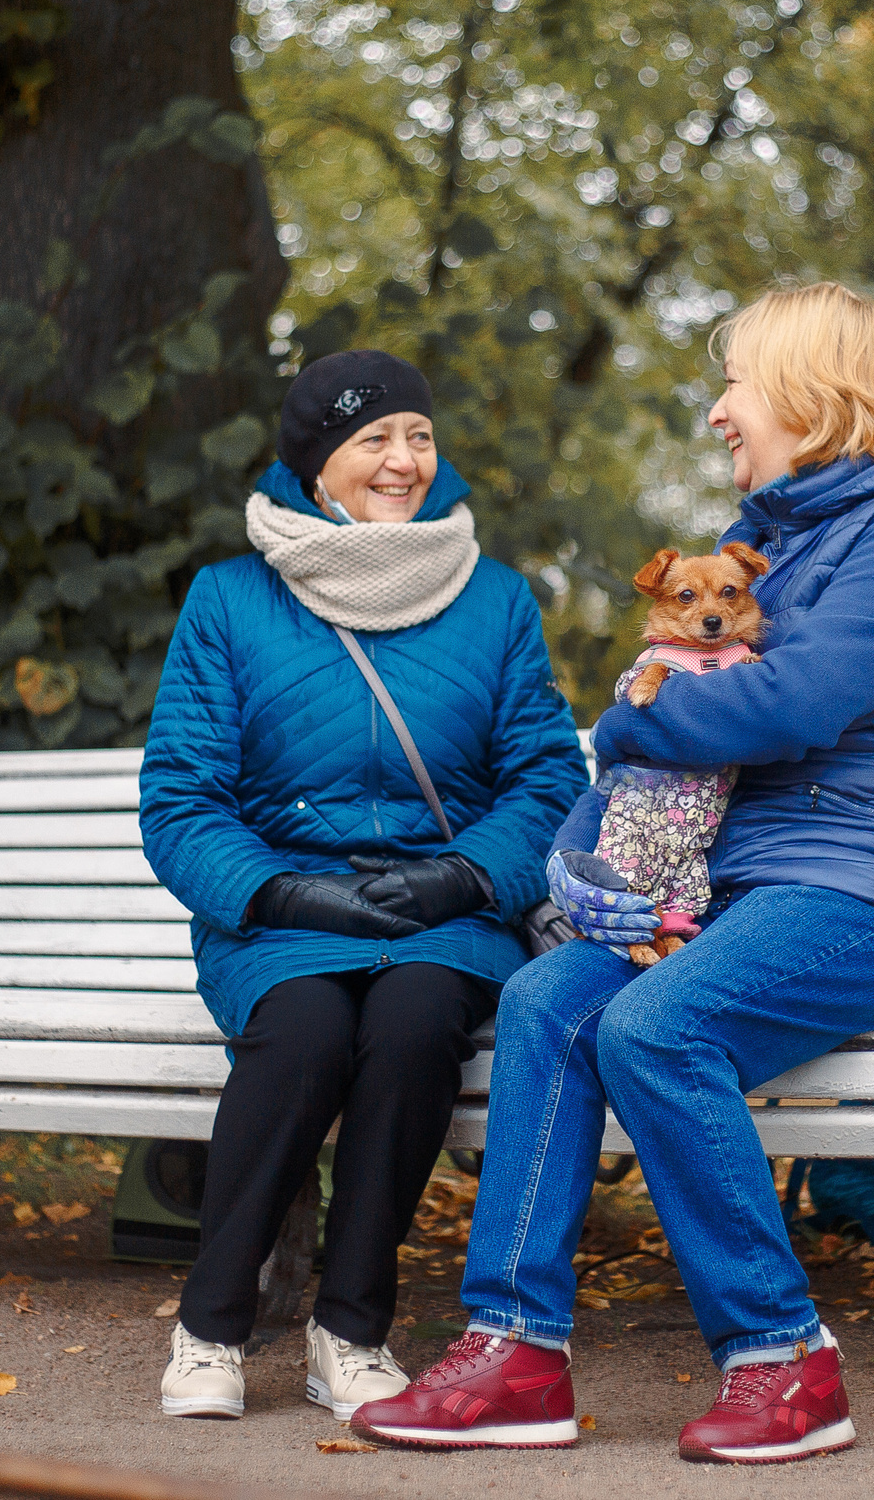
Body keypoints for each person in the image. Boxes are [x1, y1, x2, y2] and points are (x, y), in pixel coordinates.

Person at [354, 282, 874, 1464]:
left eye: (737, 383)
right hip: (758, 891)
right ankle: (514, 1353)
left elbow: (784, 704)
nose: (719, 412)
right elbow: (694, 723)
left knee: (655, 1027)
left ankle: (783, 1361)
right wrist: (584, 851)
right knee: (548, 999)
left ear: (811, 391)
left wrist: (625, 725)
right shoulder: (780, 540)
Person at [139, 348, 588, 1424]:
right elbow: (181, 799)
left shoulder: (495, 598)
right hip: (281, 913)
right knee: (301, 1035)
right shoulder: (230, 600)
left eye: (418, 436)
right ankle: (210, 1327)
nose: (403, 460)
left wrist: (463, 876)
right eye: (372, 439)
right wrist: (286, 897)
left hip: (447, 912)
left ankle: (350, 1329)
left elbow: (546, 778)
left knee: (416, 1019)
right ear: (313, 462)